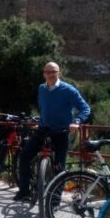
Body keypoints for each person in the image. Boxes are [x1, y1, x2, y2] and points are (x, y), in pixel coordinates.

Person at [14, 62, 90, 201]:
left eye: (53, 72)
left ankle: (54, 202)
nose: (49, 74)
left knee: (58, 168)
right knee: (24, 156)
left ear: (58, 73)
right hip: (43, 130)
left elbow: (85, 108)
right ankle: (24, 191)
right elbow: (44, 108)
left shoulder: (68, 90)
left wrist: (77, 121)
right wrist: (41, 121)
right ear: (44, 74)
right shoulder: (42, 88)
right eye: (47, 72)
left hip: (61, 132)